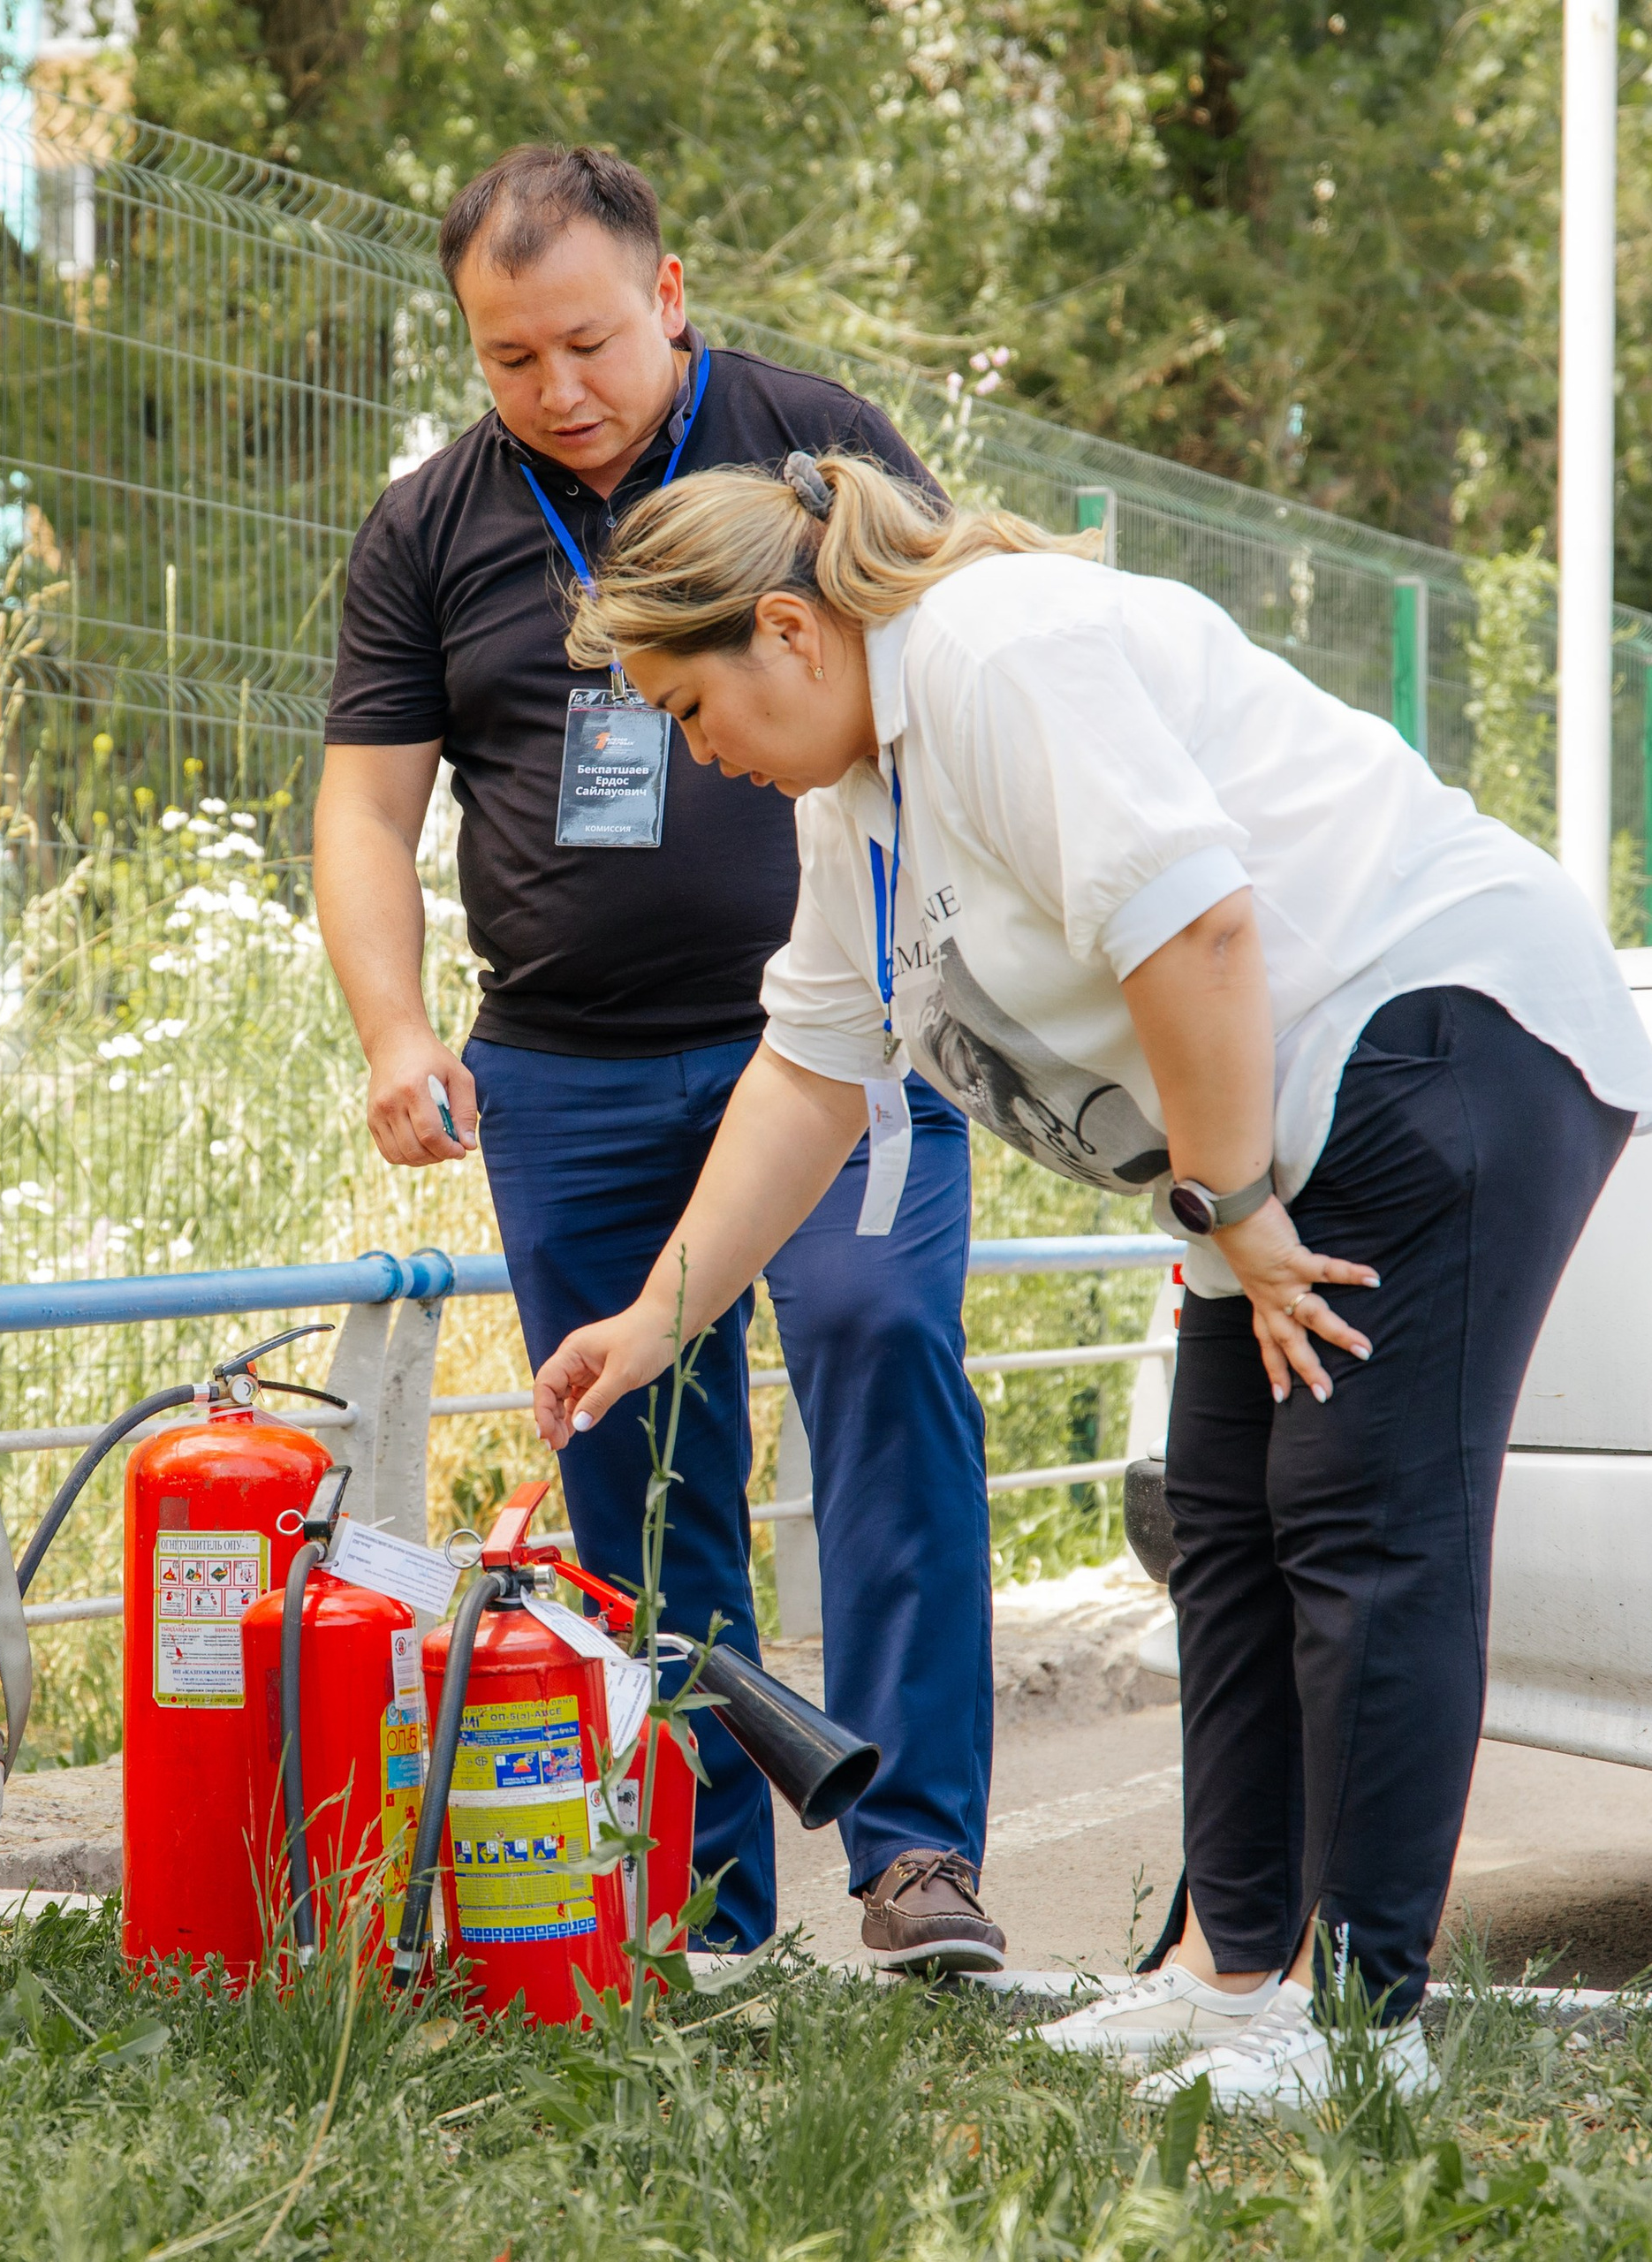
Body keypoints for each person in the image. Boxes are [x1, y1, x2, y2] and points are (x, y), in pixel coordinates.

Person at [528, 447, 1652, 2105]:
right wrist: (651, 1320)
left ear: (788, 630)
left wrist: (1233, 1200)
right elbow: (811, 1077)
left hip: (1448, 1028)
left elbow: (1191, 926)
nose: (700, 759)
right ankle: (1232, 1977)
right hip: (1280, 1107)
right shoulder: (858, 800)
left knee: (1357, 1511)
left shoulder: (994, 651)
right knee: (1226, 1510)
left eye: (694, 713)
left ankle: (1364, 2021)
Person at [316, 146, 1004, 1966]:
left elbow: (951, 696)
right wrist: (394, 1032)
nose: (556, 391)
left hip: (848, 1037)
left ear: (670, 293)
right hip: (566, 1071)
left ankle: (918, 1856)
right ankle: (701, 1904)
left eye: (589, 343)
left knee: (876, 1351)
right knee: (637, 1459)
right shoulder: (427, 528)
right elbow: (365, 809)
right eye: (507, 358)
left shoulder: (811, 444)